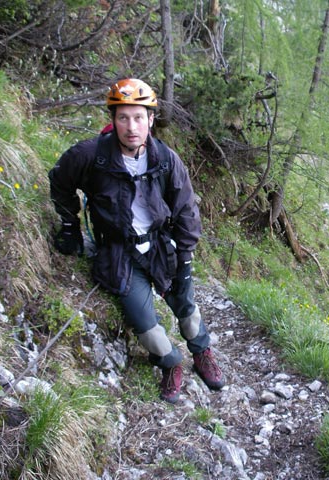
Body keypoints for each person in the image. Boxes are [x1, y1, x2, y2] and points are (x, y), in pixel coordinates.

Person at [49, 78, 225, 404]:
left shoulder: (165, 159)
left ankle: (202, 351)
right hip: (119, 252)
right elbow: (59, 180)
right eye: (123, 118)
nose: (132, 126)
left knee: (185, 305)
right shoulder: (91, 156)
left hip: (161, 245)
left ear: (151, 120)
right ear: (113, 119)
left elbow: (186, 208)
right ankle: (171, 363)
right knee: (145, 323)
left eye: (139, 117)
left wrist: (184, 255)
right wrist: (70, 225)